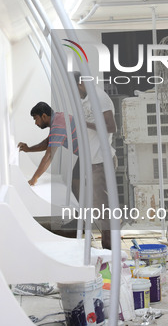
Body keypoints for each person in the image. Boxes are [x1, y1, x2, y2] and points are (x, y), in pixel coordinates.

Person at [73, 71, 117, 250]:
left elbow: (111, 127)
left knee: (103, 208)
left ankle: (109, 249)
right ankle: (106, 246)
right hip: (91, 161)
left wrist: (85, 124)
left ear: (81, 82)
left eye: (74, 88)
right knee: (99, 207)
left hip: (101, 161)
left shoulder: (100, 97)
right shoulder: (86, 100)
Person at [18, 102, 78, 186]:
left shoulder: (58, 125)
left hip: (93, 154)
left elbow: (49, 156)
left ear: (44, 116)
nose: (35, 123)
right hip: (89, 154)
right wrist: (28, 149)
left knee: (78, 183)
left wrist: (34, 179)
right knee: (76, 182)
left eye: (36, 119)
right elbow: (47, 143)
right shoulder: (58, 118)